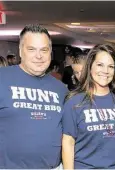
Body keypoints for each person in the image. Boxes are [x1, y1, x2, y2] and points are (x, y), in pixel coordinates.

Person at [0, 24, 67, 168]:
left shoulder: (61, 89)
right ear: (20, 51)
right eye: (31, 49)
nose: (39, 56)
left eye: (44, 50)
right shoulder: (2, 78)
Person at [62, 44, 115, 169]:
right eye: (100, 65)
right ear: (90, 66)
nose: (106, 71)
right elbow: (68, 143)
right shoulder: (75, 102)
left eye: (111, 66)